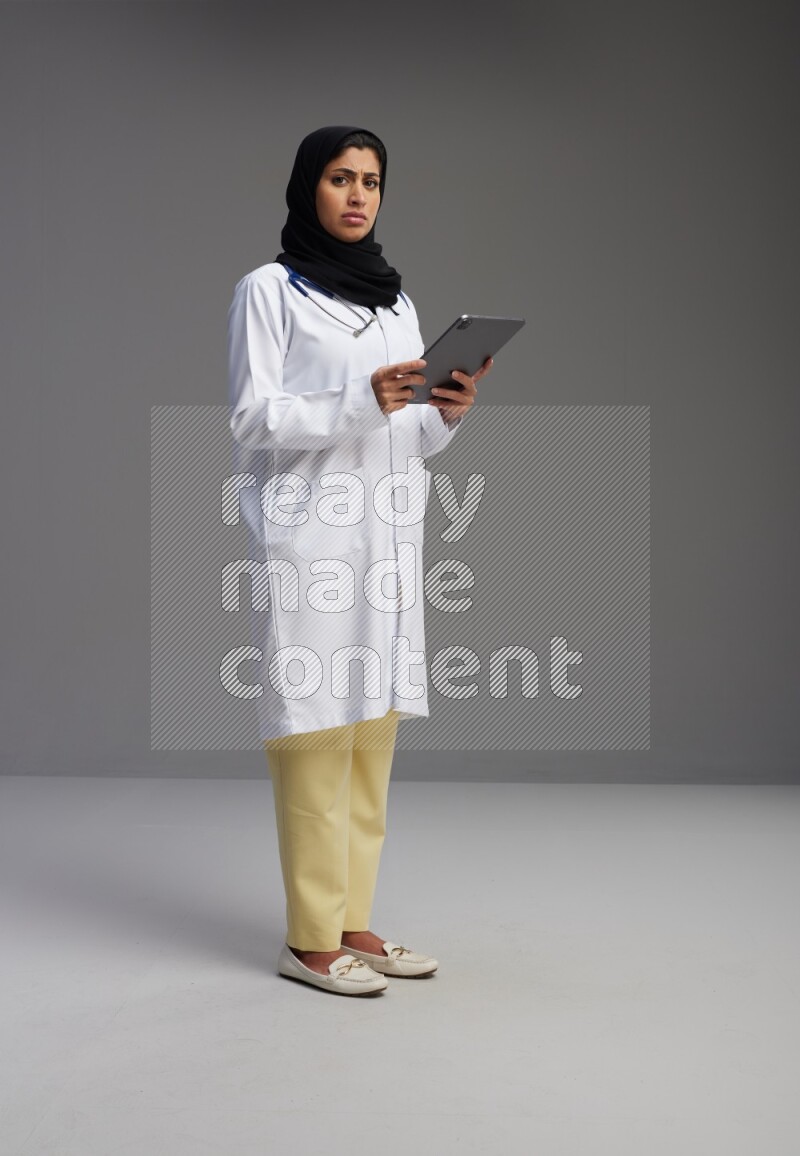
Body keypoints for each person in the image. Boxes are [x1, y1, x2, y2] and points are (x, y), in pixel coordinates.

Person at [227, 125, 492, 996]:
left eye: (371, 182)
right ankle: (307, 940)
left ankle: (353, 922)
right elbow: (252, 420)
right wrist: (358, 397)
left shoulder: (396, 304)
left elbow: (405, 436)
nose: (356, 195)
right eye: (341, 178)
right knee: (312, 731)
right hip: (312, 541)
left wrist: (446, 413)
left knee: (372, 730)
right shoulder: (269, 292)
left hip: (386, 540)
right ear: (310, 187)